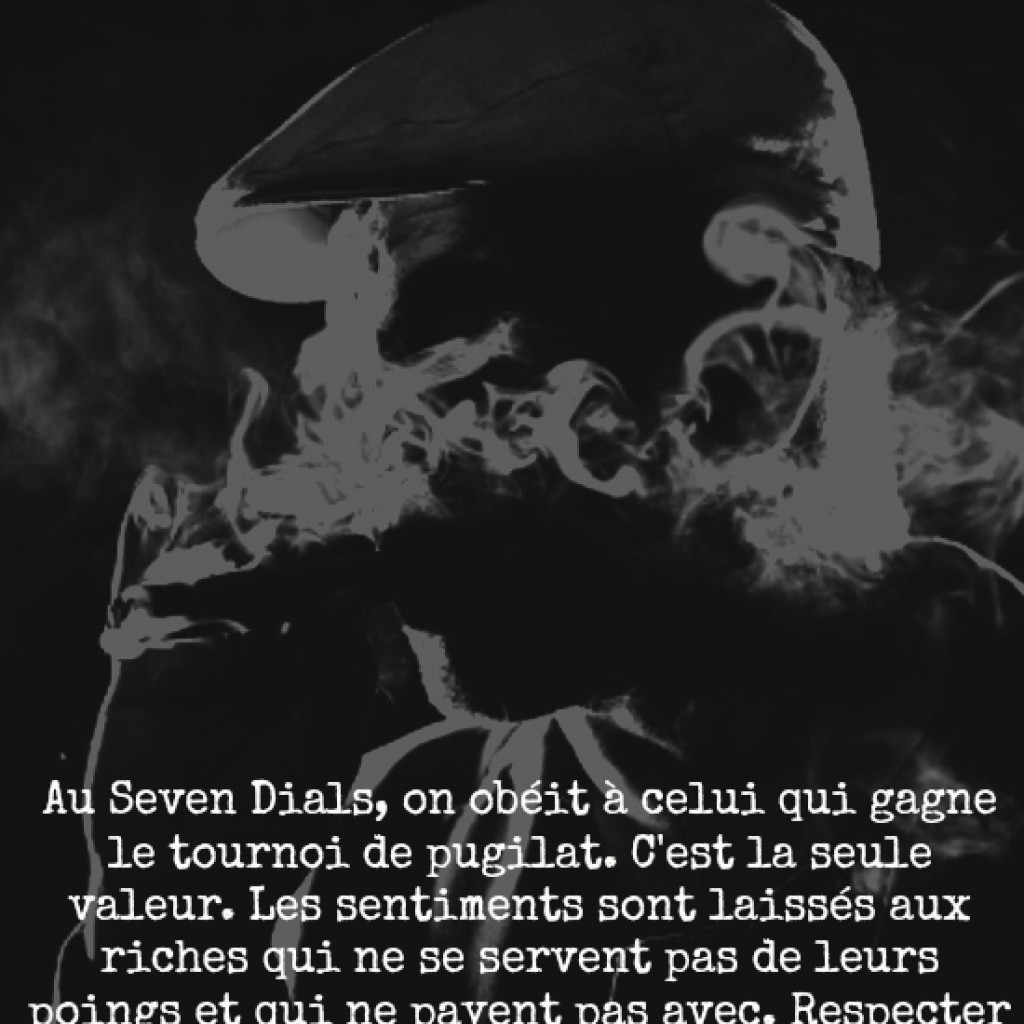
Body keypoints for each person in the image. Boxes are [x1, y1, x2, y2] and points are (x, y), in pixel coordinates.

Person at [62, 0, 1021, 1012]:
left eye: (446, 364)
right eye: (358, 383)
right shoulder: (406, 840)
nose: (367, 460)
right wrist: (170, 912)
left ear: (754, 367)